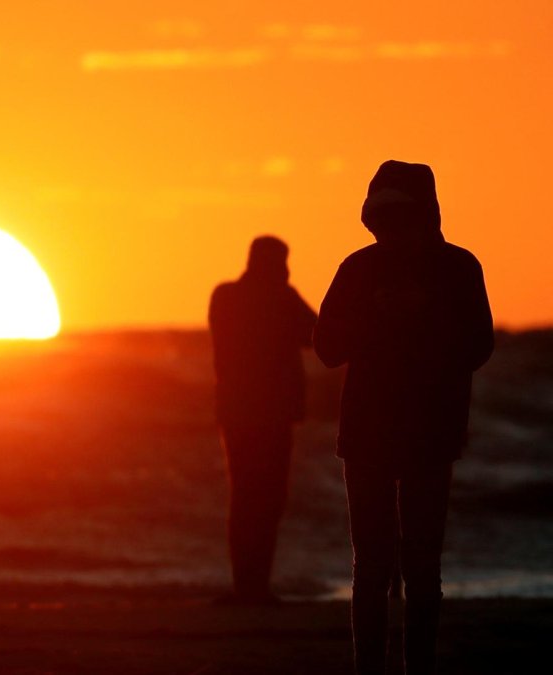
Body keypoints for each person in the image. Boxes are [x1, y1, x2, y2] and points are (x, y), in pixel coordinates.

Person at [314, 160, 493, 675]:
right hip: (367, 433)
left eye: (401, 219)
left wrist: (425, 314)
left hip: (431, 435)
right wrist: (376, 315)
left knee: (421, 567)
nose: (390, 233)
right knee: (371, 567)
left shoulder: (460, 268)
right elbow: (325, 348)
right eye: (381, 222)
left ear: (427, 215)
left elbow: (480, 345)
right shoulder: (358, 268)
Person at [208, 235, 317, 605]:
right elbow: (318, 336)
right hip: (265, 415)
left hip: (242, 413)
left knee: (250, 499)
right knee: (263, 499)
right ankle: (251, 587)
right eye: (282, 263)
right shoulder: (275, 299)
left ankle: (250, 586)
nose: (286, 271)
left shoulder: (226, 297)